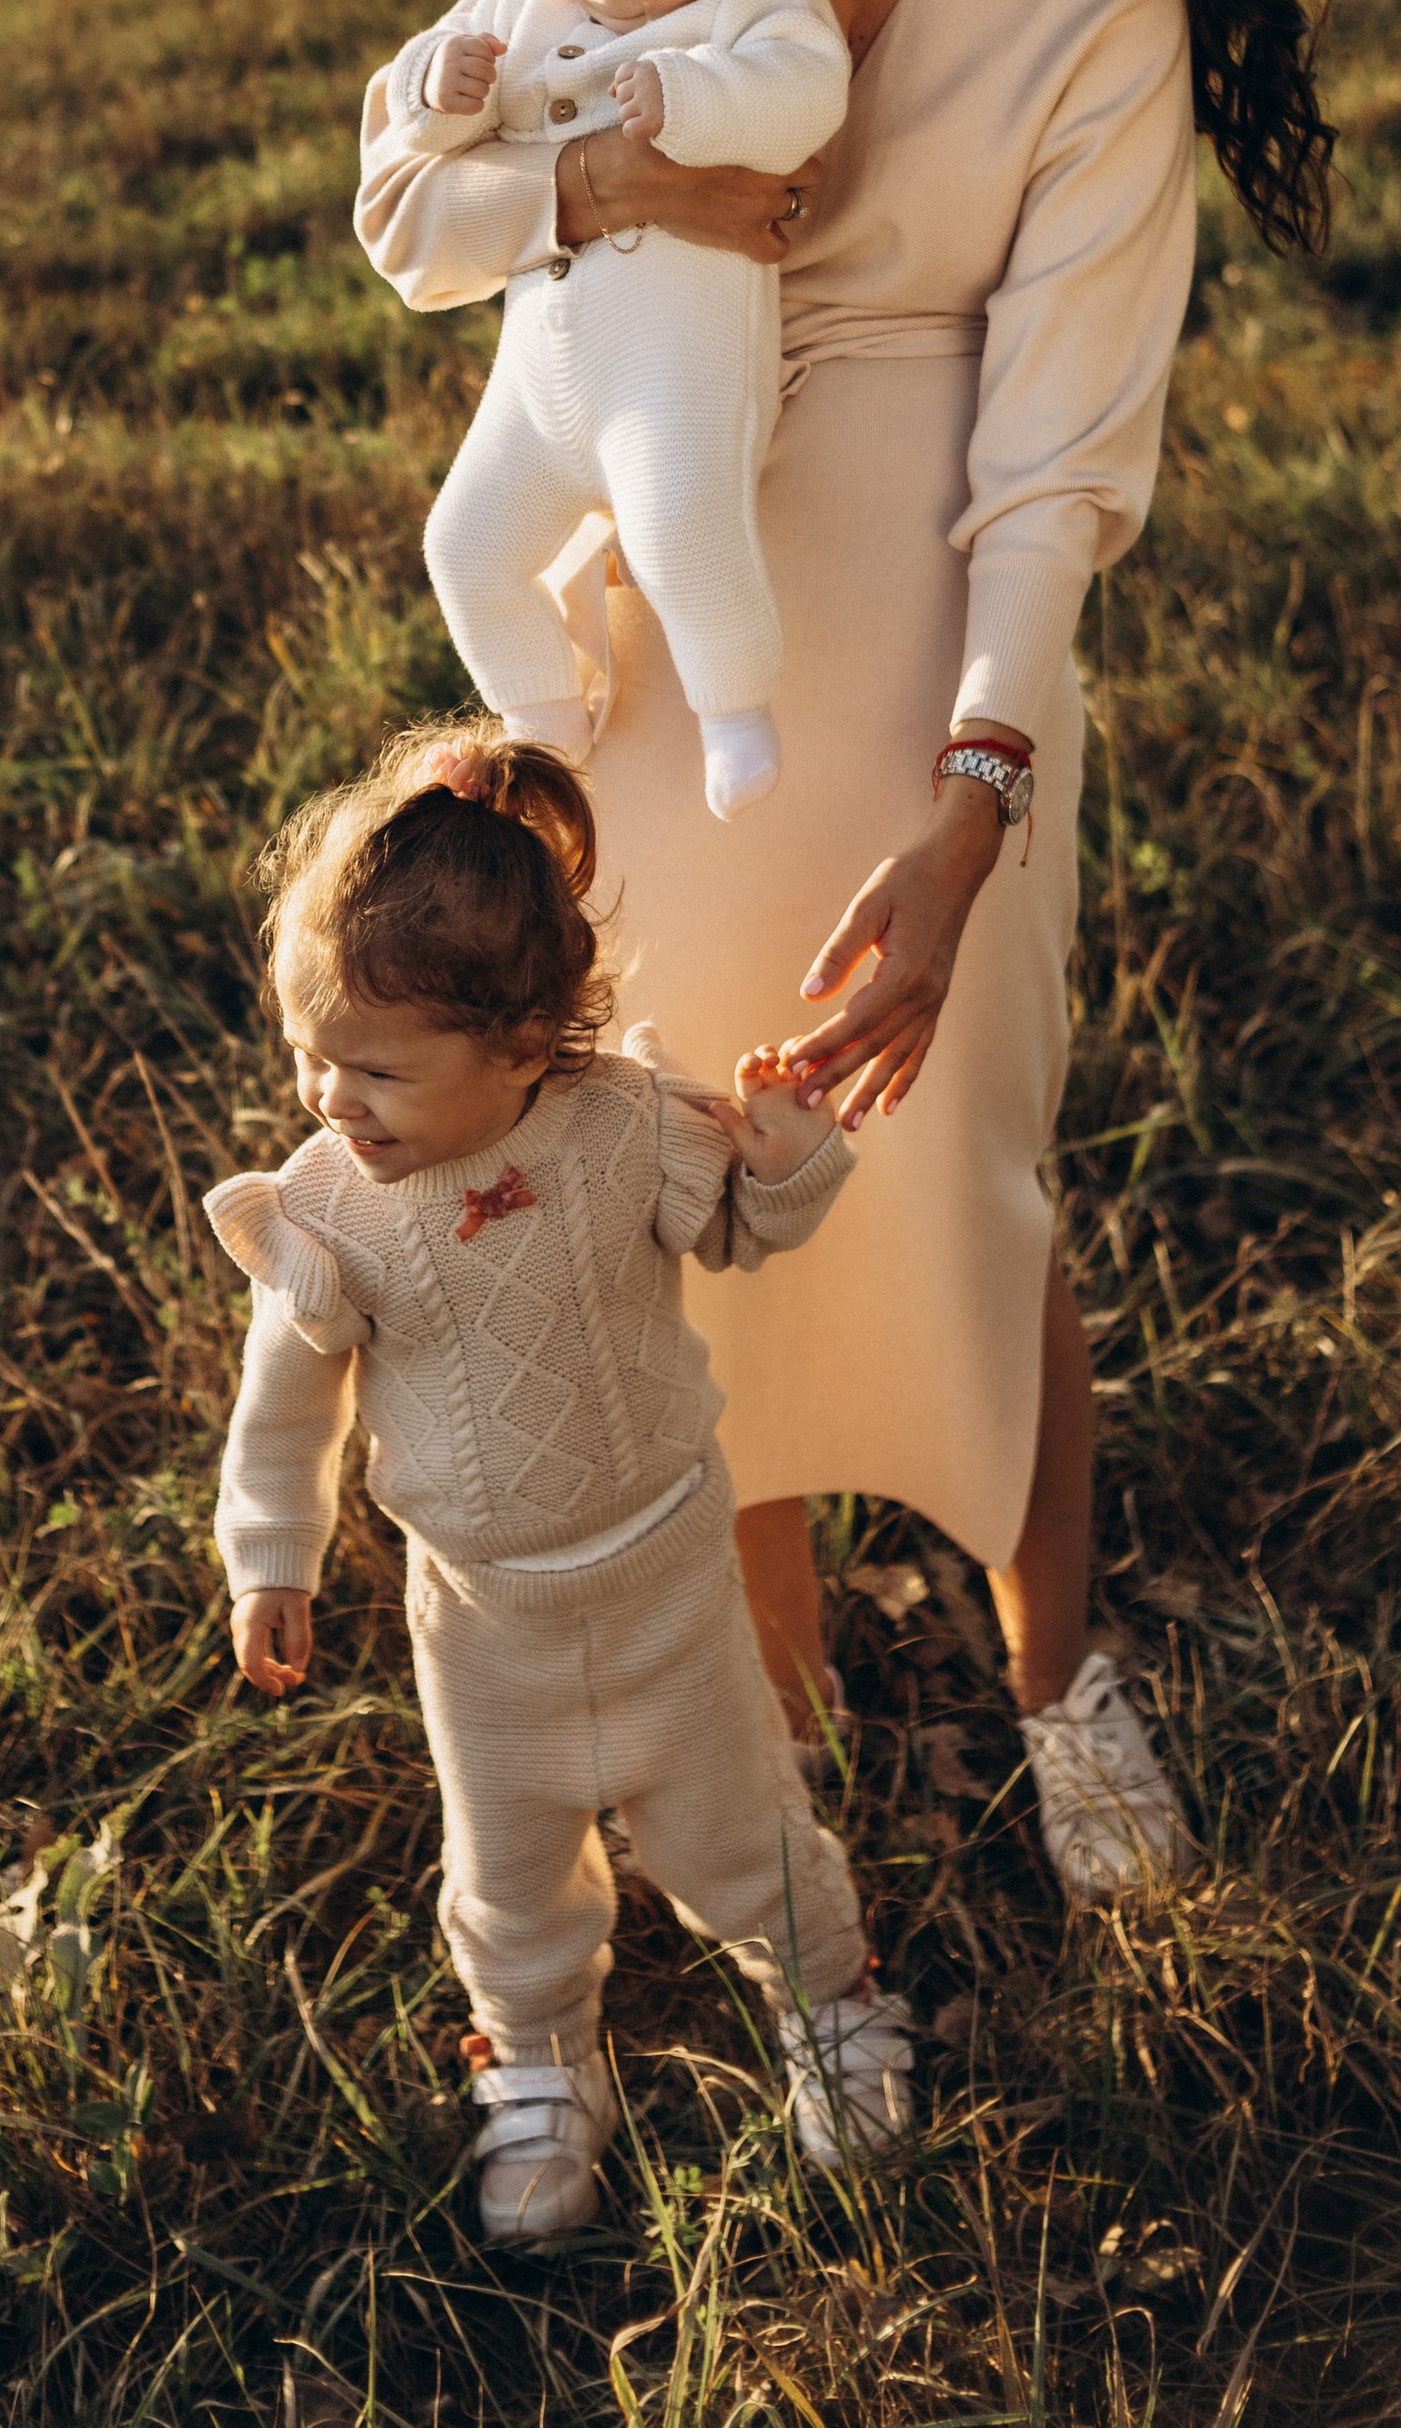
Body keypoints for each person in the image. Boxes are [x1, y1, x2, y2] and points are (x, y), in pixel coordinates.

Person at [356, 0, 1333, 1899]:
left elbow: (1056, 461)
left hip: (921, 640)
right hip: (661, 629)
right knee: (679, 1169)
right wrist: (619, 189)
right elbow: (420, 195)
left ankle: (1054, 1675)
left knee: (950, 1175)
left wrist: (978, 796)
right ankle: (775, 1742)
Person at [205, 727, 918, 2239]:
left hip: (666, 1570)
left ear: (525, 1046)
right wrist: (271, 1554)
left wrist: (786, 1136)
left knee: (734, 1822)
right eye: (306, 1052)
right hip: (483, 1617)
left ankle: (829, 1999)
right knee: (511, 1861)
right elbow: (285, 1408)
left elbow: (746, 1227)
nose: (331, 1096)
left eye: (378, 1069)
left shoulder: (624, 1129)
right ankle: (536, 2061)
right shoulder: (331, 1212)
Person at [386, 0, 850, 815]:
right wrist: (435, 92)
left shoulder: (756, 2)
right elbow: (427, 137)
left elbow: (807, 90)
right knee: (463, 544)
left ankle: (733, 708)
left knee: (683, 523)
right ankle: (541, 723)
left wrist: (693, 100)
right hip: (536, 390)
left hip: (666, 380)